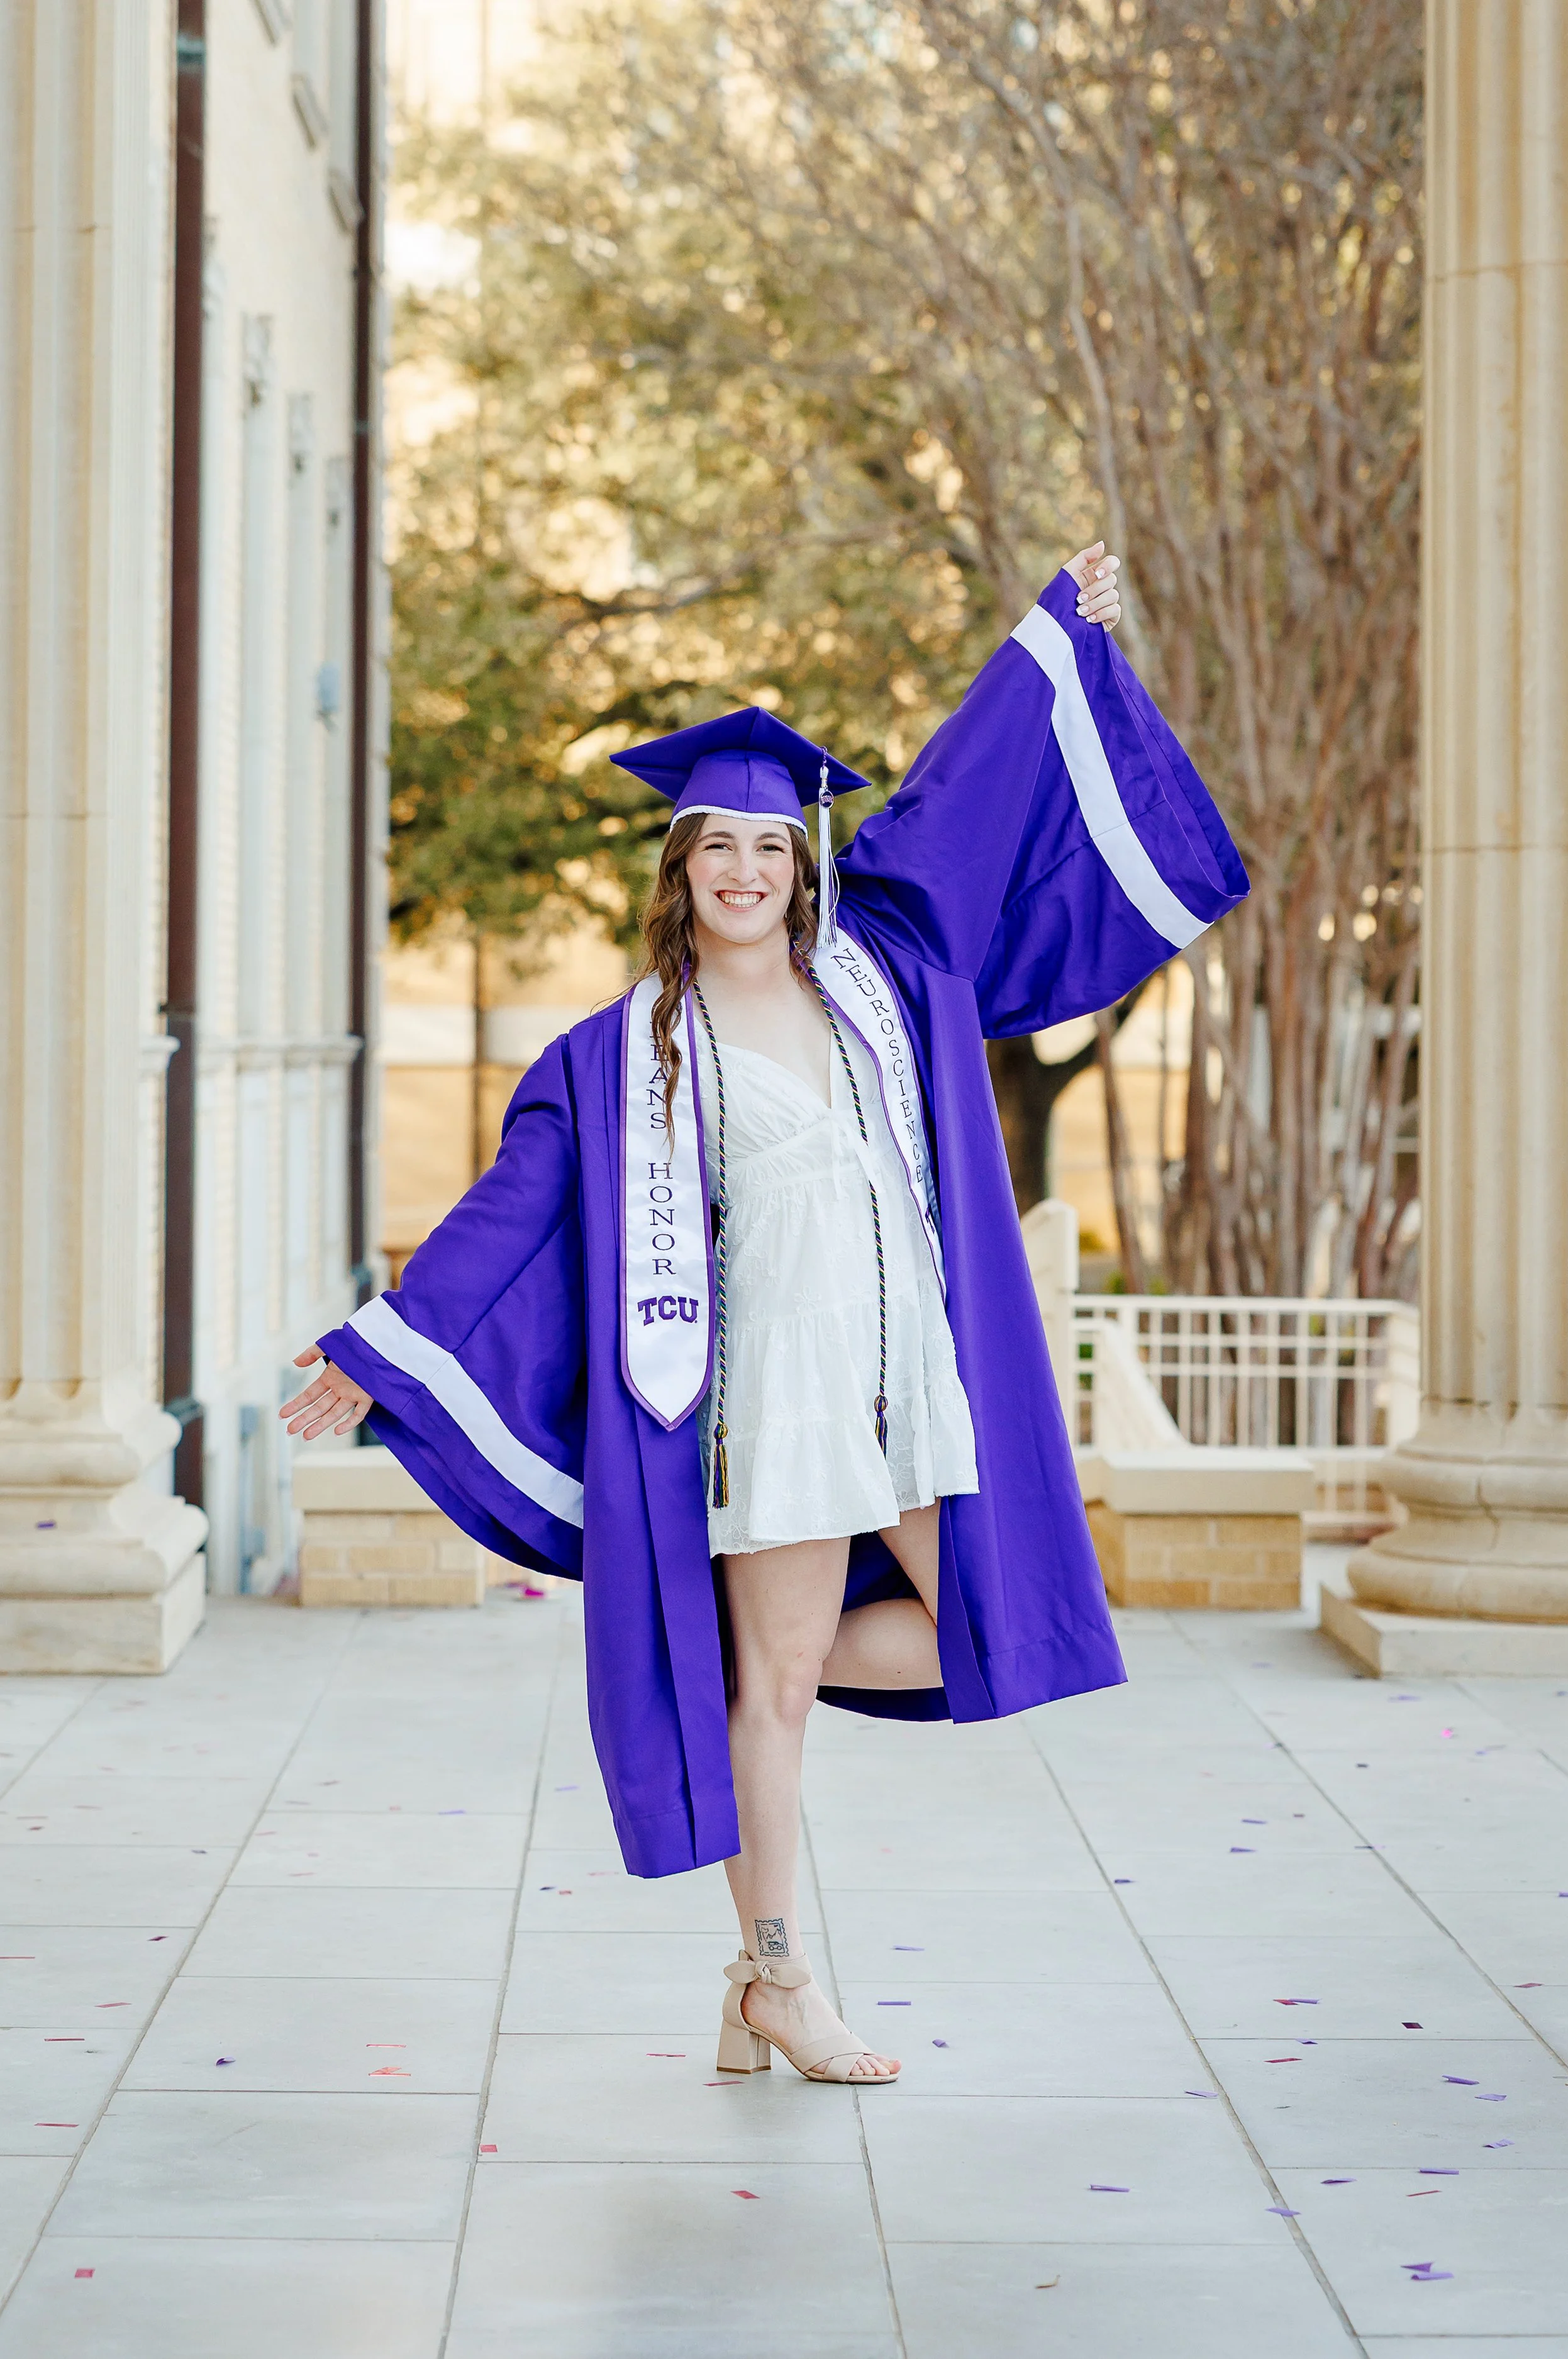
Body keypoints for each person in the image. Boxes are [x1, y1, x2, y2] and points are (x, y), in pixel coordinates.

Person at [282, 543, 1248, 2084]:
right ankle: (777, 1979)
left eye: (768, 847)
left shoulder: (882, 977)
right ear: (678, 868)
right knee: (782, 1695)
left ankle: (745, 1805)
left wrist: (1050, 639)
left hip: (910, 1391)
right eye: (714, 846)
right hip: (774, 1407)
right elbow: (512, 1209)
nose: (744, 870)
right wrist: (376, 1348)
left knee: (998, 1624)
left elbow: (967, 799)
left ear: (803, 865)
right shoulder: (625, 1054)